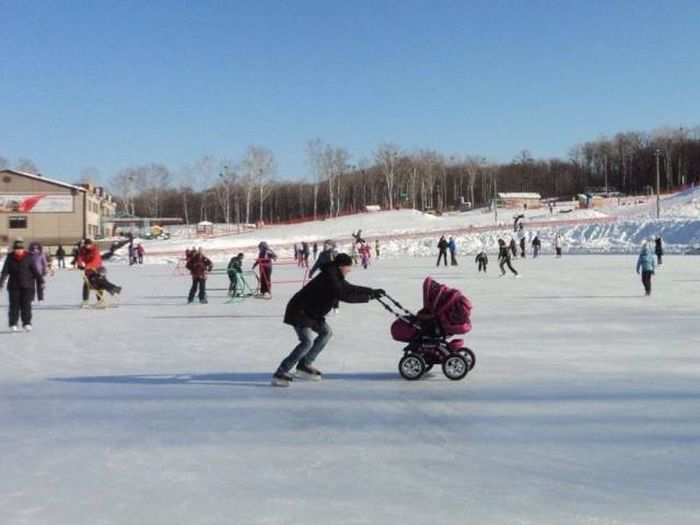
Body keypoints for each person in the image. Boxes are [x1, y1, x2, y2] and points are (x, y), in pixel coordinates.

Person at [271, 253, 383, 387]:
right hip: (300, 311)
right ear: (341, 266)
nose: (350, 270)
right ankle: (281, 371)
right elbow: (343, 295)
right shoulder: (330, 278)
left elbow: (349, 287)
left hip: (312, 313)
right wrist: (368, 298)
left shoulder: (335, 275)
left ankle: (304, 364)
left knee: (326, 333)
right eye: (348, 267)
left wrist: (371, 291)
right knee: (307, 342)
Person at [0, 238, 44, 331]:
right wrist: (1, 282)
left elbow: (35, 271)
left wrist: (41, 281)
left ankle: (26, 323)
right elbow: (5, 272)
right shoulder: (10, 258)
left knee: (26, 305)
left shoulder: (29, 257)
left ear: (23, 249)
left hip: (27, 285)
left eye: (20, 249)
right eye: (17, 249)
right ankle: (13, 323)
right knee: (14, 306)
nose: (18, 251)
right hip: (13, 286)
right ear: (14, 249)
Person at [76, 239, 122, 306]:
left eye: (89, 245)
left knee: (97, 282)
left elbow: (96, 261)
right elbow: (79, 258)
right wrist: (79, 265)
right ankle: (86, 300)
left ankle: (103, 298)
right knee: (87, 283)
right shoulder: (83, 250)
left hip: (98, 269)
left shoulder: (95, 250)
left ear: (91, 244)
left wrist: (87, 266)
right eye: (86, 245)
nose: (87, 246)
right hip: (89, 271)